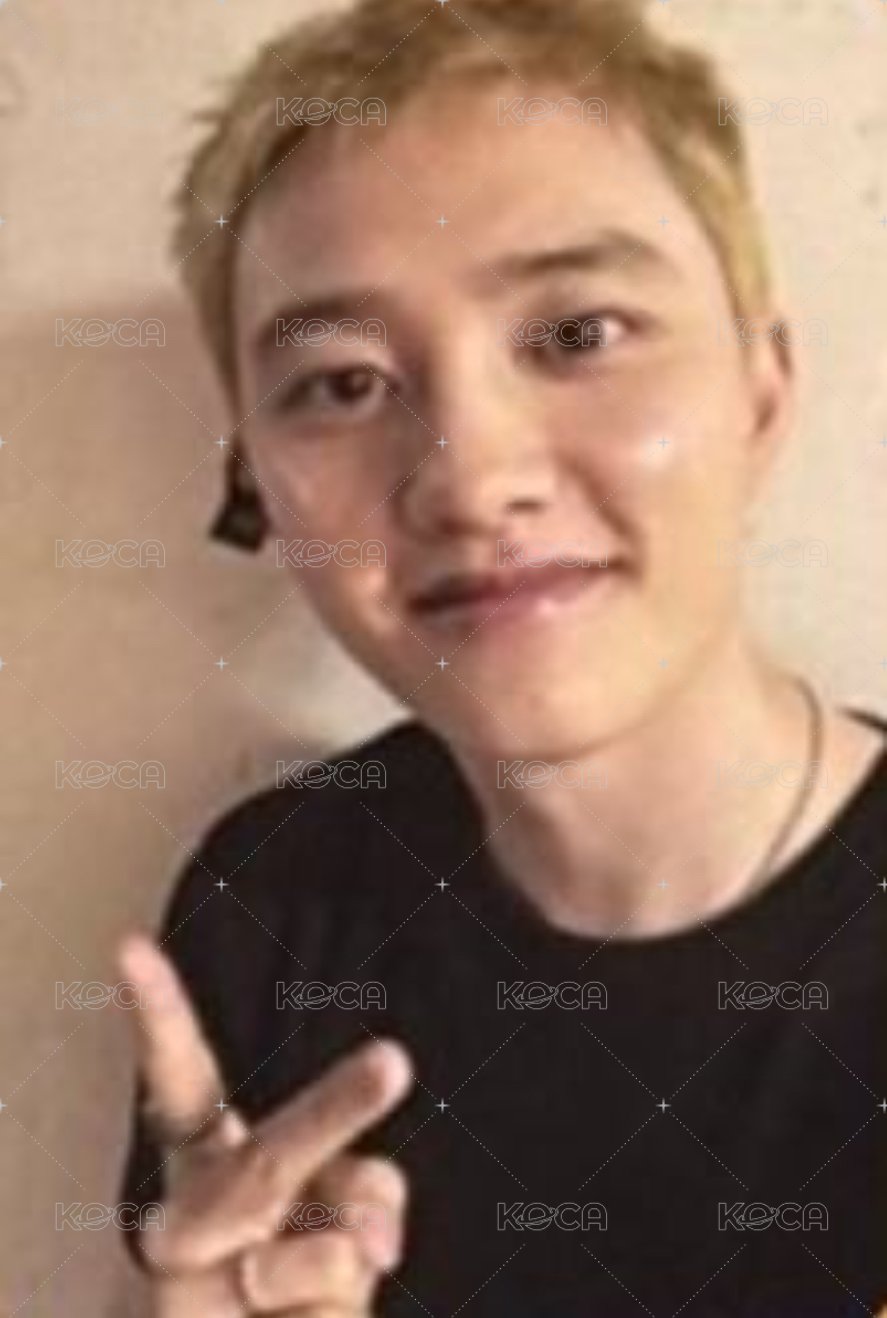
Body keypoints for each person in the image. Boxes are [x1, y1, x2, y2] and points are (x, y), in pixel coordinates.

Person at [116, 0, 887, 1312]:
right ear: (257, 482)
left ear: (760, 392)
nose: (470, 479)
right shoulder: (274, 908)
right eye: (345, 384)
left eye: (577, 334)